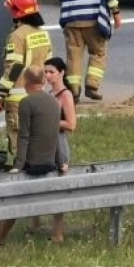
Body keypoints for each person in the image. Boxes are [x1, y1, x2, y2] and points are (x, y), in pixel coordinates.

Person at [0, 66, 65, 247]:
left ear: (25, 82)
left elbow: (24, 136)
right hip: (50, 163)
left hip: (32, 164)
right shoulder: (54, 102)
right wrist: (61, 162)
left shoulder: (26, 103)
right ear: (44, 81)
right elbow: (55, 135)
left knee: (11, 201)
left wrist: (19, 164)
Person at [56, 0, 122, 102]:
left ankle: (74, 91)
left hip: (71, 18)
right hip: (94, 19)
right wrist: (116, 13)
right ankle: (92, 85)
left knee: (73, 54)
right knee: (98, 52)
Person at [0, 0, 53, 165]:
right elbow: (49, 65)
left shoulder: (17, 36)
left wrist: (2, 93)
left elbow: (14, 67)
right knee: (36, 135)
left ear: (16, 12)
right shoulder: (43, 34)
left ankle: (17, 169)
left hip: (18, 97)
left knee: (18, 138)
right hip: (39, 94)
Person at [42, 56, 75, 242]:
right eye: (46, 72)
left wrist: (49, 121)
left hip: (59, 143)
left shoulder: (65, 95)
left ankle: (58, 233)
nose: (48, 76)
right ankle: (35, 223)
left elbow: (71, 124)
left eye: (51, 72)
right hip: (46, 143)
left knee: (59, 188)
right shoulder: (49, 93)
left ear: (61, 73)